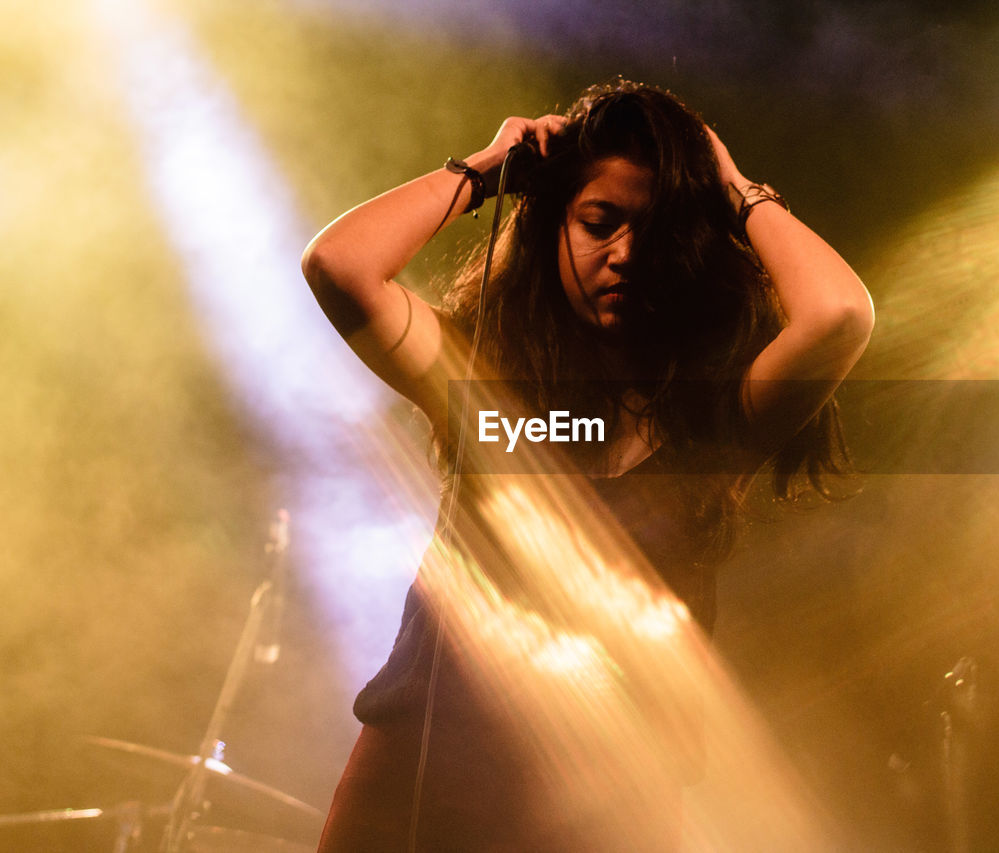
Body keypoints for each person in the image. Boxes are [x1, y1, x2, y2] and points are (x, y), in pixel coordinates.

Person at [302, 79, 873, 851]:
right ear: (552, 225)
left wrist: (734, 188)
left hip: (611, 803)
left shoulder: (713, 421)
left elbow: (839, 315)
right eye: (599, 221)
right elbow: (339, 265)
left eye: (657, 231)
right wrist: (485, 170)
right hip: (424, 772)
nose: (626, 254)